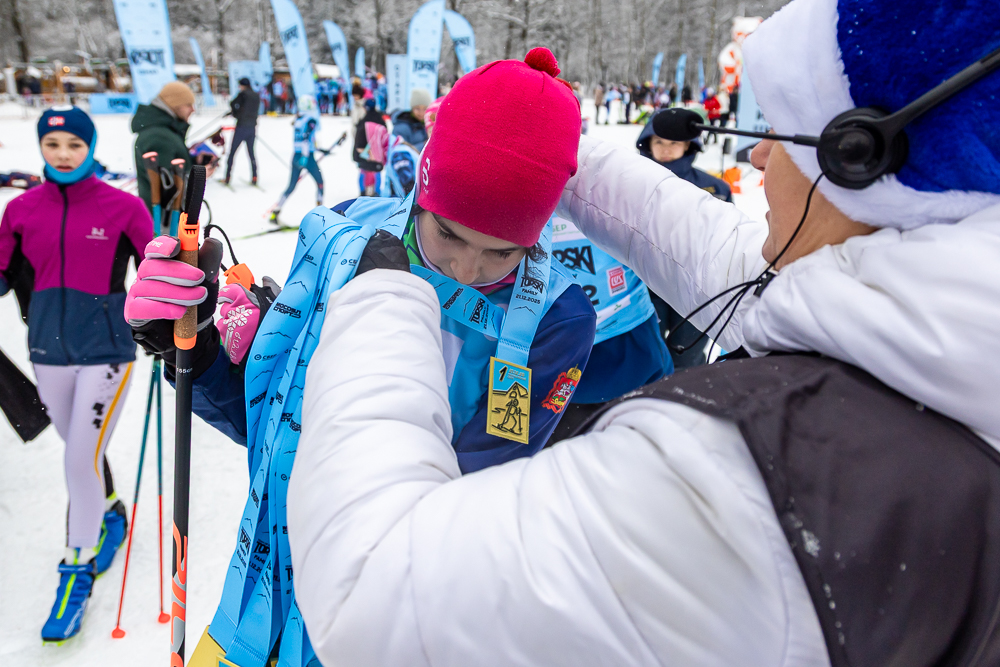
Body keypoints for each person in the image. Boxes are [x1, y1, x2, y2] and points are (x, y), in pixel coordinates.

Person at [264, 0, 1000, 664]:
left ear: (859, 154)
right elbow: (721, 258)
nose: (757, 154)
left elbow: (372, 592)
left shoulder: (739, 477)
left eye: (782, 132)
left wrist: (384, 299)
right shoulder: (935, 335)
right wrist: (520, 138)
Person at [126, 47, 596, 476]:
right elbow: (276, 425)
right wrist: (198, 352)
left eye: (503, 252)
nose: (467, 270)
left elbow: (475, 489)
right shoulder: (344, 233)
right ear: (421, 196)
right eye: (448, 234)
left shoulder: (558, 318)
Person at [0, 107, 153, 642]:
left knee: (78, 457)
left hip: (106, 354)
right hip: (46, 352)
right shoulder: (19, 211)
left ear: (90, 147)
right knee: (79, 452)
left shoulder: (124, 208)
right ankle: (112, 512)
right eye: (53, 144)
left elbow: (155, 277)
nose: (63, 154)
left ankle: (76, 567)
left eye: (73, 144)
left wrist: (172, 308)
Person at [636, 110, 733, 368]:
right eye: (659, 142)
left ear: (688, 144)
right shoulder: (632, 182)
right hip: (646, 284)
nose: (666, 149)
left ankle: (683, 400)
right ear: (648, 143)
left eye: (674, 143)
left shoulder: (715, 188)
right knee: (646, 352)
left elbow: (727, 237)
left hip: (696, 287)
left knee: (687, 353)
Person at [132, 81, 195, 229]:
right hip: (163, 223)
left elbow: (172, 166)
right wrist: (198, 175)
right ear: (175, 104)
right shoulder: (158, 136)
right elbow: (168, 187)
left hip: (165, 219)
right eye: (188, 104)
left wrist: (194, 161)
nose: (193, 109)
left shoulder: (164, 130)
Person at [268, 95, 323, 224]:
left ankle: (276, 210)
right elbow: (306, 139)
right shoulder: (311, 120)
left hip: (296, 155)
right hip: (306, 156)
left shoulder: (298, 119)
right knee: (320, 183)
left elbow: (307, 139)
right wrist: (306, 156)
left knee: (291, 185)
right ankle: (321, 216)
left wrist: (319, 149)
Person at [360, 122, 419, 197]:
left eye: (368, 153)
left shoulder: (399, 155)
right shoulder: (392, 154)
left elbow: (410, 190)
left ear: (376, 145)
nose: (369, 158)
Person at [225, 77, 259, 186]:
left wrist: (235, 113)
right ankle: (254, 176)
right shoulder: (256, 95)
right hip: (252, 127)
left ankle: (227, 176)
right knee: (251, 153)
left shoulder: (243, 94)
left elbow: (233, 103)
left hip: (241, 127)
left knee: (232, 152)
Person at [353, 98, 386, 196]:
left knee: (363, 170)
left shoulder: (363, 122)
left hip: (364, 153)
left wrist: (356, 154)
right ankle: (377, 192)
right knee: (377, 172)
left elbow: (358, 140)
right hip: (378, 153)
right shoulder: (381, 120)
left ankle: (362, 192)